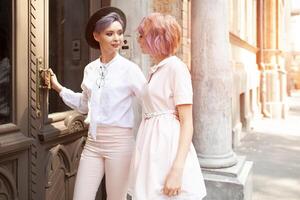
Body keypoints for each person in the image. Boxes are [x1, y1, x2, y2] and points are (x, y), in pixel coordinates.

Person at [50, 7, 146, 200]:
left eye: (119, 33)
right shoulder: (90, 69)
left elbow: (150, 100)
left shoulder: (130, 70)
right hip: (93, 144)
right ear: (96, 36)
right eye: (109, 33)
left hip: (120, 144)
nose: (116, 38)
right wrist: (58, 87)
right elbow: (85, 105)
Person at [128, 13, 207, 199]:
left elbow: (187, 122)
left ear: (156, 37)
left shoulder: (176, 68)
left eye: (142, 34)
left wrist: (177, 170)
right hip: (151, 144)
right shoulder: (155, 70)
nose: (138, 39)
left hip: (167, 146)